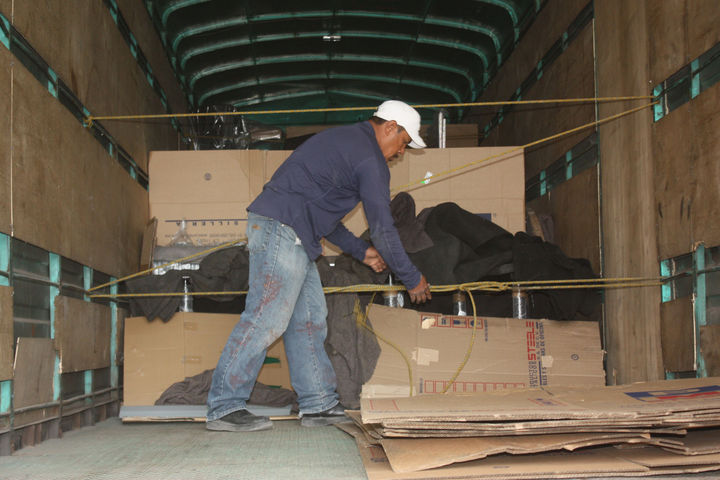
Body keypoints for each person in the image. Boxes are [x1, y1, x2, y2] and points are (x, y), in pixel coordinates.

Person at [206, 100, 432, 432]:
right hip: (283, 229)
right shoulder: (369, 158)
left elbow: (322, 216)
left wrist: (361, 251)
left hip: (293, 231)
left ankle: (318, 404)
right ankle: (224, 406)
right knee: (267, 318)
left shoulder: (347, 142)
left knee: (309, 319)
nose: (401, 152)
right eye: (403, 142)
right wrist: (412, 278)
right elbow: (383, 230)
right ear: (389, 127)